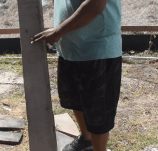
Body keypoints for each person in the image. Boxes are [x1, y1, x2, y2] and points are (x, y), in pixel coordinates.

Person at [31, 0, 122, 151]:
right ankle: (86, 141)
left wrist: (58, 31)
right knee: (76, 101)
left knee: (98, 113)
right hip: (71, 48)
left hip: (97, 50)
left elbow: (96, 5)